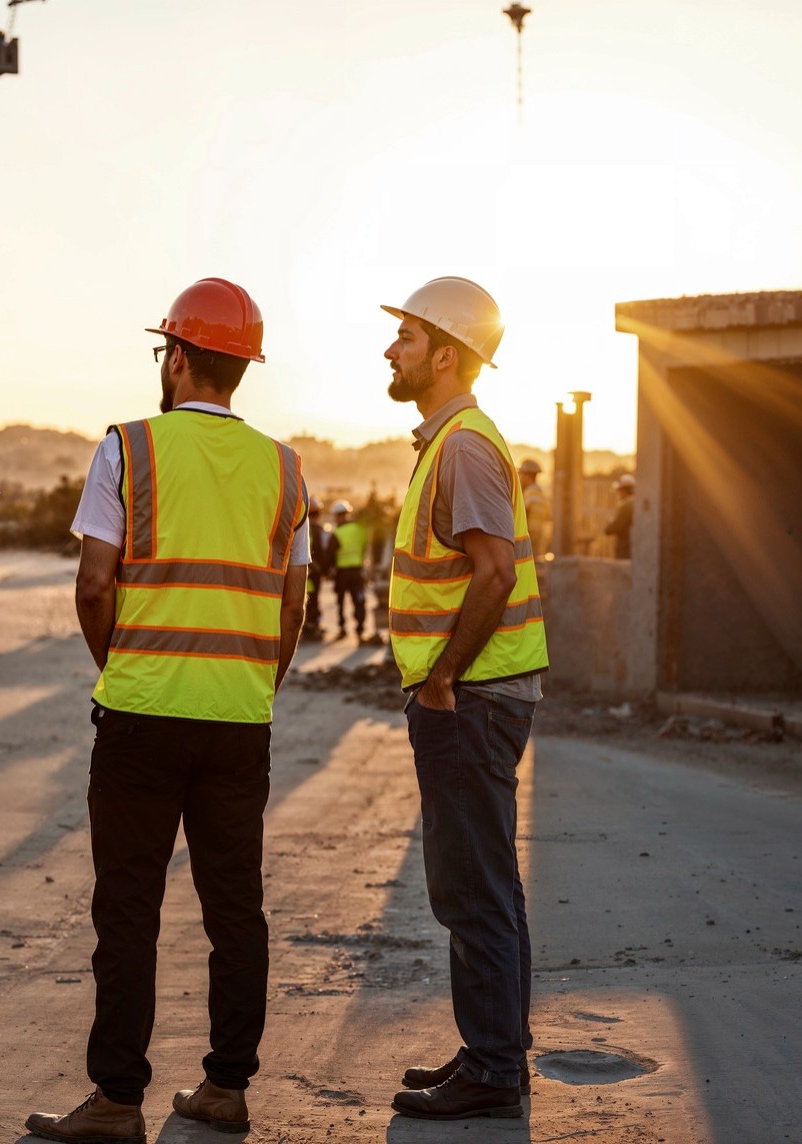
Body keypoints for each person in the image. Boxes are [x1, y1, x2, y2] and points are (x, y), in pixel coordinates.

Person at [26, 279, 309, 1143]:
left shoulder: (127, 449)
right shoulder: (285, 467)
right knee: (235, 909)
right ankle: (227, 1088)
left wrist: (125, 667)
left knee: (127, 909)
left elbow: (91, 584)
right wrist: (256, 683)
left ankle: (117, 1099)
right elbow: (293, 604)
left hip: (141, 721)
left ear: (179, 356)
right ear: (242, 368)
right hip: (238, 722)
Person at [378, 277, 549, 1122]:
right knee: (484, 883)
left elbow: (495, 571)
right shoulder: (446, 443)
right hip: (473, 697)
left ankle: (492, 1068)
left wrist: (443, 678)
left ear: (446, 354)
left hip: (472, 700)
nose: (391, 350)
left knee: (471, 885)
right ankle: (494, 1051)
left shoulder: (464, 446)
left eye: (405, 338)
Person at [329, 500, 369, 641]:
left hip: (342, 573)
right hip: (357, 571)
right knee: (359, 600)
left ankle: (342, 629)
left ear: (337, 516)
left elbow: (330, 555)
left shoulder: (337, 533)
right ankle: (360, 629)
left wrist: (328, 571)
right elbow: (364, 548)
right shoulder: (359, 530)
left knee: (340, 602)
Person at [303, 499, 329, 640]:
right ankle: (310, 626)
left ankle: (311, 625)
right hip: (311, 572)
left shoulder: (308, 529)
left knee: (310, 599)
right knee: (310, 599)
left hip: (310, 571)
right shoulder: (314, 531)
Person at [518, 458, 551, 560]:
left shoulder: (529, 493)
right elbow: (547, 516)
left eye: (521, 474)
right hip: (539, 537)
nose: (520, 477)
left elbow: (521, 515)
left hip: (527, 537)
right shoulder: (542, 494)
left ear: (527, 475)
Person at [604, 473, 635, 559]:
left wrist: (610, 523)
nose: (619, 494)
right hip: (633, 547)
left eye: (619, 491)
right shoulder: (636, 503)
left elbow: (612, 528)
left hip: (625, 549)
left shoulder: (626, 505)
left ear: (624, 491)